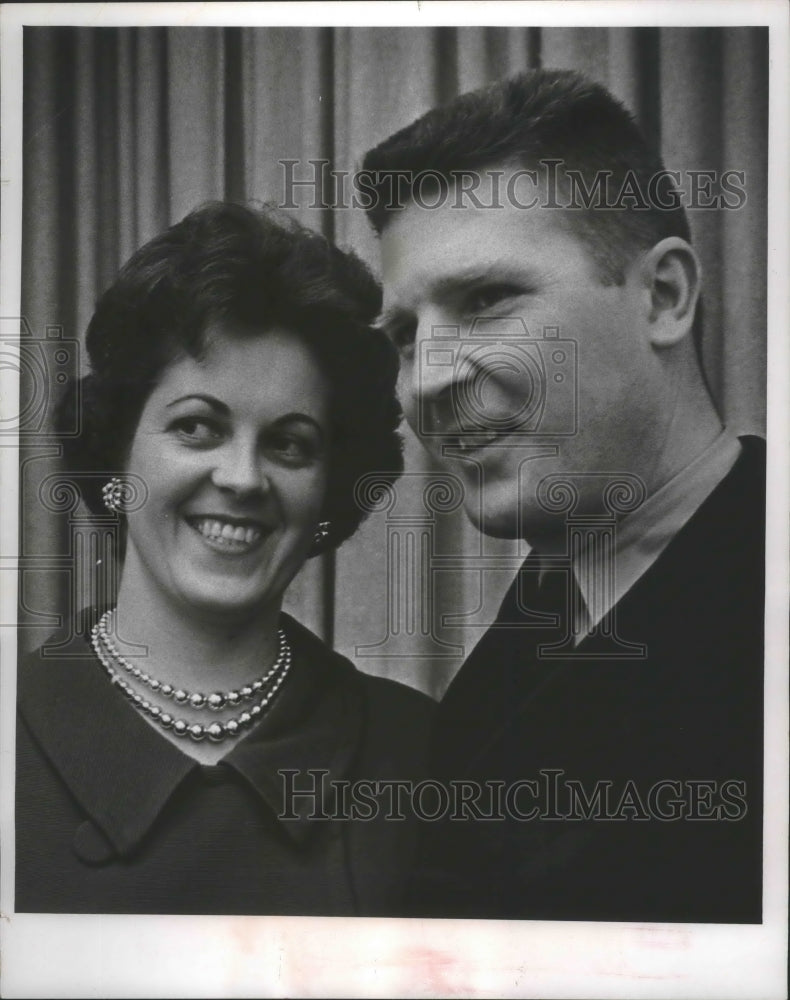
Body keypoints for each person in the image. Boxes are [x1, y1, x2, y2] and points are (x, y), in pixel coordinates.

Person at [362, 70, 764, 922]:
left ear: (663, 297)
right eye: (405, 336)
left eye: (485, 299)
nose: (426, 380)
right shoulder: (497, 683)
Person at [15, 202, 433, 916]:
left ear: (327, 492)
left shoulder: (419, 753)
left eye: (290, 443)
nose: (243, 478)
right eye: (198, 428)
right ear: (115, 454)